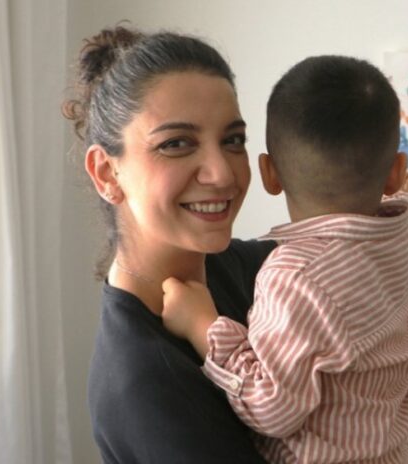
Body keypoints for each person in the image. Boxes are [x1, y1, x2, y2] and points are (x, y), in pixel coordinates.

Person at [161, 55, 408, 463]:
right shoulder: (399, 231)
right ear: (395, 172)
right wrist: (407, 196)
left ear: (269, 174)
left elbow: (273, 408)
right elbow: (407, 211)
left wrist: (203, 327)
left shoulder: (293, 277)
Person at [61, 26, 276, 463]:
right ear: (106, 173)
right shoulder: (143, 382)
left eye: (232, 140)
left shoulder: (267, 272)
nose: (222, 173)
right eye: (176, 144)